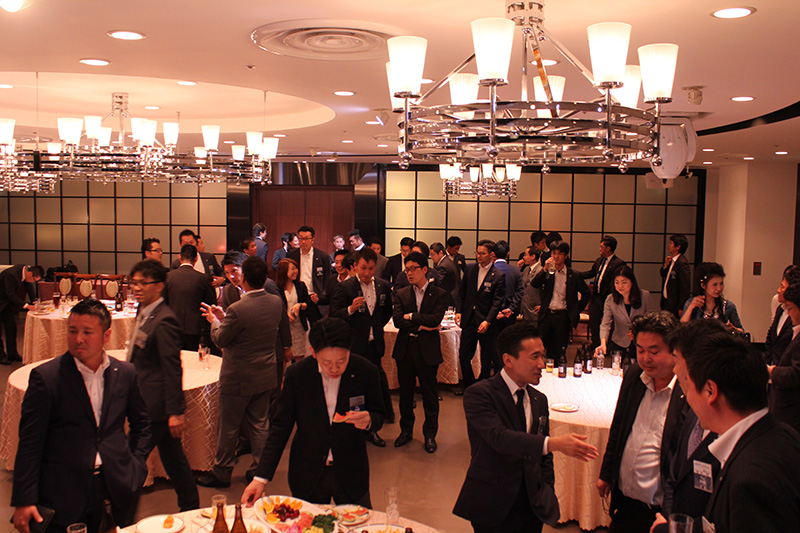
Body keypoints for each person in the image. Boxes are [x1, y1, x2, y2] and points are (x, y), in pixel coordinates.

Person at [11, 299, 151, 533]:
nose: (78, 339)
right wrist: (24, 498)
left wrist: (135, 467)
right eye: (73, 331)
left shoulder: (125, 373)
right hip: (63, 491)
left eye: (87, 332)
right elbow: (29, 443)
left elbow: (142, 424)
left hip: (116, 485)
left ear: (106, 335)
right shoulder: (46, 378)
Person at [453, 323, 599, 533]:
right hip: (492, 503)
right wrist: (553, 443)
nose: (542, 364)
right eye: (534, 357)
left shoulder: (539, 399)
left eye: (543, 356)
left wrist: (546, 490)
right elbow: (499, 438)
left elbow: (544, 457)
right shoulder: (480, 394)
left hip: (531, 504)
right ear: (508, 360)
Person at [667, 322, 800, 533]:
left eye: (689, 386)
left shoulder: (750, 481)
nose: (688, 397)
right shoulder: (783, 434)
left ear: (710, 391)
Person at [240, 317, 385, 508]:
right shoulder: (297, 375)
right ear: (313, 352)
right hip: (308, 473)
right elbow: (280, 428)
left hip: (351, 473)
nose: (334, 368)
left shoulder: (366, 371)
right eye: (327, 362)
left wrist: (369, 420)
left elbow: (379, 414)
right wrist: (260, 478)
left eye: (341, 361)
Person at [597, 311, 688, 533]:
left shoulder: (687, 391)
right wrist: (606, 473)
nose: (646, 358)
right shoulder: (635, 376)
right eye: (640, 350)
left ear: (675, 350)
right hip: (624, 503)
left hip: (660, 511)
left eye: (654, 352)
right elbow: (618, 427)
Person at [196, 256, 283, 487]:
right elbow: (249, 329)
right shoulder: (276, 302)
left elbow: (220, 339)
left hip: (238, 377)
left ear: (243, 279)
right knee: (260, 423)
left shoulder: (238, 308)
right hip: (265, 373)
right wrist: (225, 319)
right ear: (265, 278)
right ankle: (260, 470)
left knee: (229, 426)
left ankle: (222, 472)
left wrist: (215, 321)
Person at [127, 260, 199, 511]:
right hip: (147, 400)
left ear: (159, 286)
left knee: (131, 463)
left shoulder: (165, 319)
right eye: (134, 283)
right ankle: (191, 507)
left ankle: (121, 517)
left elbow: (172, 367)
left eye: (142, 283)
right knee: (175, 461)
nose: (136, 288)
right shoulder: (144, 312)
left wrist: (175, 411)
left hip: (155, 407)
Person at [650, 320, 726, 533]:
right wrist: (669, 520)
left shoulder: (733, 435)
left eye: (676, 360)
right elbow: (674, 475)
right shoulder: (695, 412)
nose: (675, 369)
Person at [330, 247, 394, 445]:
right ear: (355, 266)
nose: (367, 272)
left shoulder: (383, 286)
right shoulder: (345, 287)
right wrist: (350, 309)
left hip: (374, 345)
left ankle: (371, 428)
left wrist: (374, 331)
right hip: (353, 346)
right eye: (363, 268)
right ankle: (349, 426)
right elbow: (335, 315)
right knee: (352, 387)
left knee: (373, 387)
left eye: (371, 268)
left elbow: (386, 313)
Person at [392, 252, 450, 453]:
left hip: (427, 350)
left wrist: (411, 317)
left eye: (413, 269)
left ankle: (430, 434)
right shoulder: (401, 293)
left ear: (425, 269)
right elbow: (398, 321)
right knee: (405, 395)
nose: (409, 273)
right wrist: (421, 324)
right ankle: (406, 431)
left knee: (429, 394)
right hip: (405, 349)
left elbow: (435, 320)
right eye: (406, 269)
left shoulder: (439, 294)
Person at [456, 239, 506, 392]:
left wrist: (488, 321)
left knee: (486, 357)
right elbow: (461, 293)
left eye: (482, 253)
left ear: (492, 255)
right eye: (477, 253)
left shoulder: (498, 275)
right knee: (464, 355)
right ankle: (470, 386)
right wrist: (459, 311)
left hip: (486, 321)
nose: (479, 256)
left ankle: (484, 388)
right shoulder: (470, 269)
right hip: (469, 318)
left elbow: (497, 302)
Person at [531, 241, 590, 365]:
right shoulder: (548, 272)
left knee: (558, 350)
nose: (556, 256)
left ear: (565, 256)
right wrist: (545, 269)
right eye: (553, 253)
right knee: (539, 348)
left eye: (559, 254)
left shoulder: (573, 275)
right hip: (546, 315)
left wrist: (575, 310)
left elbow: (586, 294)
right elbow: (534, 284)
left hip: (563, 316)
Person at [165, 244, 216, 351]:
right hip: (195, 328)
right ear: (196, 258)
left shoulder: (168, 277)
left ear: (179, 257)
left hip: (172, 325)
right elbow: (211, 304)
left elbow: (163, 303)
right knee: (191, 357)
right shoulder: (203, 278)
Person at [595, 266, 651, 360]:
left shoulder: (645, 296)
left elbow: (650, 322)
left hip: (640, 343)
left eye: (624, 282)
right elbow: (605, 323)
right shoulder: (610, 299)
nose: (620, 286)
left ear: (632, 282)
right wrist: (603, 343)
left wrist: (637, 332)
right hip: (619, 342)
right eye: (617, 282)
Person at [580, 235, 627, 349]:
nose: (600, 249)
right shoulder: (599, 260)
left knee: (609, 321)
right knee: (594, 320)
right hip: (596, 296)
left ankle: (608, 344)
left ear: (608, 248)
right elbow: (591, 273)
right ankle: (595, 343)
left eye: (602, 247)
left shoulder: (618, 263)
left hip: (609, 297)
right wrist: (576, 275)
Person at [768, 282, 800, 434]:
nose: (788, 312)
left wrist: (772, 372)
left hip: (793, 414)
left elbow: (797, 374)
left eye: (791, 308)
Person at [681, 262, 744, 334]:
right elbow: (682, 328)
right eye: (715, 285)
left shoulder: (728, 306)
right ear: (703, 285)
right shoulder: (693, 303)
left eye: (721, 283)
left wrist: (733, 329)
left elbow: (742, 331)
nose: (719, 288)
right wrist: (691, 307)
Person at [287, 225, 331, 323]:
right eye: (301, 238)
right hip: (297, 297)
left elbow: (327, 279)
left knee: (317, 327)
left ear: (312, 240)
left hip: (315, 297)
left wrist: (322, 297)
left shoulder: (322, 256)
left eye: (306, 239)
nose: (303, 242)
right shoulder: (291, 256)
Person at [0, 264, 42, 364]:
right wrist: (26, 306)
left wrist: (34, 302)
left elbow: (29, 287)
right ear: (30, 274)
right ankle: (1, 356)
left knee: (11, 328)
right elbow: (9, 293)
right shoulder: (11, 275)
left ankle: (12, 354)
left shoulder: (25, 271)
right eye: (33, 279)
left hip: (7, 303)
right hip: (1, 300)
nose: (33, 282)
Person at [276, 258, 312, 361]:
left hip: (298, 324)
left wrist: (300, 305)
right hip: (284, 326)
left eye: (296, 268)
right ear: (284, 271)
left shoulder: (300, 285)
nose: (295, 271)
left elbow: (308, 303)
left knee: (299, 356)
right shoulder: (276, 288)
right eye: (292, 269)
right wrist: (285, 315)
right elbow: (275, 308)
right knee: (285, 357)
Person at [764, 265, 800, 364]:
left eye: (782, 286)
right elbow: (771, 338)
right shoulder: (780, 309)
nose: (778, 290)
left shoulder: (796, 315)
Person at [492, 240, 524, 332]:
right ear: (508, 254)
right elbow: (520, 292)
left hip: (491, 314)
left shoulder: (490, 270)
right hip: (509, 314)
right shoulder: (516, 271)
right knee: (508, 338)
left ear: (493, 254)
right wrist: (511, 308)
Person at [660, 233, 691, 318]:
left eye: (671, 243)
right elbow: (663, 275)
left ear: (678, 247)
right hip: (667, 301)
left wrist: (682, 307)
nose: (668, 245)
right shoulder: (672, 261)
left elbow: (685, 287)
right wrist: (666, 265)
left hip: (675, 304)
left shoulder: (682, 263)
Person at [520, 247, 543, 325]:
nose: (524, 257)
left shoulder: (541, 270)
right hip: (525, 310)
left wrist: (543, 305)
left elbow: (547, 289)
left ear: (533, 256)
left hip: (535, 311)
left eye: (525, 255)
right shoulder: (526, 269)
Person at [431, 241, 458, 305]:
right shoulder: (446, 261)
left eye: (433, 254)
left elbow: (437, 282)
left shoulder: (443, 265)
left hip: (449, 296)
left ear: (440, 253)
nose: (431, 257)